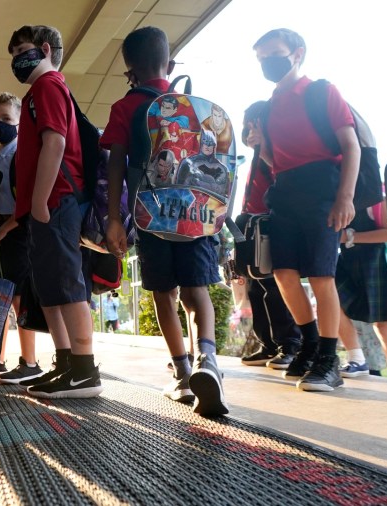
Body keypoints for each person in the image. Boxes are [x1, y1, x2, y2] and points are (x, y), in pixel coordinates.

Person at [104, 26, 228, 416]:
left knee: (164, 294)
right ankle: (208, 359)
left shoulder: (126, 107)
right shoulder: (197, 107)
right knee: (197, 292)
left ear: (129, 71)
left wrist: (113, 219)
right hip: (195, 213)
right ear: (170, 64)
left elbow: (115, 166)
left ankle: (181, 374)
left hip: (152, 214)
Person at [253, 28, 360, 392]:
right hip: (285, 191)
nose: (268, 63)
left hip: (321, 188)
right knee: (283, 273)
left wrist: (345, 198)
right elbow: (274, 162)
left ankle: (329, 359)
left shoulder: (321, 92)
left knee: (320, 275)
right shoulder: (268, 106)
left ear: (297, 53)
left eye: (275, 54)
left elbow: (351, 145)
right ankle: (310, 345)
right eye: (262, 58)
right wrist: (261, 146)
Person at [5, 25, 102, 398]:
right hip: (48, 204)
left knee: (67, 284)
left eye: (23, 50)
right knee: (51, 287)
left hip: (57, 200)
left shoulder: (48, 86)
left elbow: (55, 142)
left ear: (45, 49)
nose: (16, 59)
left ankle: (84, 369)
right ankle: (66, 364)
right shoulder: (38, 91)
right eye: (12, 54)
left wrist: (41, 200)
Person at [0, 92, 44, 384]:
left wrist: (2, 230)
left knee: (18, 298)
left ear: (20, 121)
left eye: (6, 119)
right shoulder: (2, 153)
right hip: (1, 230)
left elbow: (26, 201)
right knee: (4, 296)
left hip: (16, 231)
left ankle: (29, 362)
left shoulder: (20, 152)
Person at [239, 101, 303, 369]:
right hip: (253, 227)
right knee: (256, 287)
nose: (250, 132)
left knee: (275, 288)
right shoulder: (255, 157)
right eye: (247, 127)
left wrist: (264, 147)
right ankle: (267, 343)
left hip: (271, 225)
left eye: (255, 125)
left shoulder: (276, 154)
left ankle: (290, 344)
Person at [336, 199, 387, 380]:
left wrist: (349, 236)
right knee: (332, 308)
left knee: (384, 325)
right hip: (346, 264)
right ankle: (356, 359)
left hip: (375, 265)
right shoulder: (332, 195)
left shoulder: (378, 198)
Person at [175, 130, 230, 197]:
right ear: (201, 144)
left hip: (212, 203)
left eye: (210, 143)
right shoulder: (188, 162)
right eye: (205, 142)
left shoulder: (222, 168)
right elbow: (178, 189)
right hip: (188, 200)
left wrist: (199, 183)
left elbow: (223, 192)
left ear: (214, 146)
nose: (208, 145)